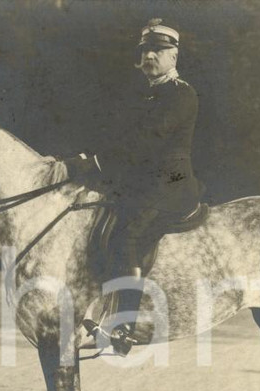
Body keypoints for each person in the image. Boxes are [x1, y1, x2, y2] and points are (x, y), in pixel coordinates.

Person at [71, 18, 203, 356]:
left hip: (171, 186)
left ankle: (125, 325)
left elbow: (148, 142)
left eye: (158, 50)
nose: (150, 57)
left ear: (174, 56)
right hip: (142, 186)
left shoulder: (181, 94)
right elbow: (121, 140)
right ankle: (98, 314)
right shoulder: (144, 95)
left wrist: (99, 162)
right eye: (145, 50)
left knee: (127, 236)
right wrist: (90, 159)